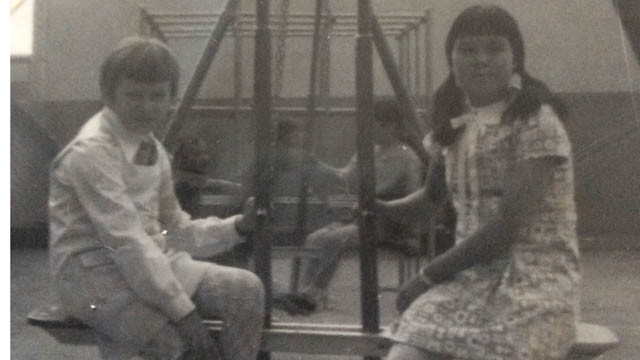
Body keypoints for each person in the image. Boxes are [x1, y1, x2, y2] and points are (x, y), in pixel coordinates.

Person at [379, 5, 580, 360]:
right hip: (468, 280)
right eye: (468, 50)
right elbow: (430, 200)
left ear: (515, 57)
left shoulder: (536, 121)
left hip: (534, 282)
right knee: (404, 354)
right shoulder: (455, 123)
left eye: (494, 48)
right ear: (451, 59)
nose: (481, 59)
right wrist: (376, 209)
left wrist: (427, 277)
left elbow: (507, 226)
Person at [48, 36, 264, 360]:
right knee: (174, 344)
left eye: (157, 96)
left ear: (171, 100)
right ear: (109, 96)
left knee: (245, 290)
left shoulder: (152, 149)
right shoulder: (91, 152)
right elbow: (125, 241)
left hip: (147, 265)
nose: (147, 106)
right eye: (134, 95)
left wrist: (237, 227)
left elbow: (173, 226)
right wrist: (183, 312)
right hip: (96, 279)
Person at [289, 99, 424, 313]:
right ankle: (306, 292)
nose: (371, 131)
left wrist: (411, 232)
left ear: (391, 126)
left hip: (390, 222)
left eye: (375, 125)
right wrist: (317, 166)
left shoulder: (408, 157)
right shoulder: (367, 152)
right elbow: (343, 177)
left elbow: (413, 196)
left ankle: (314, 292)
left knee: (336, 238)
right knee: (314, 238)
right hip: (364, 217)